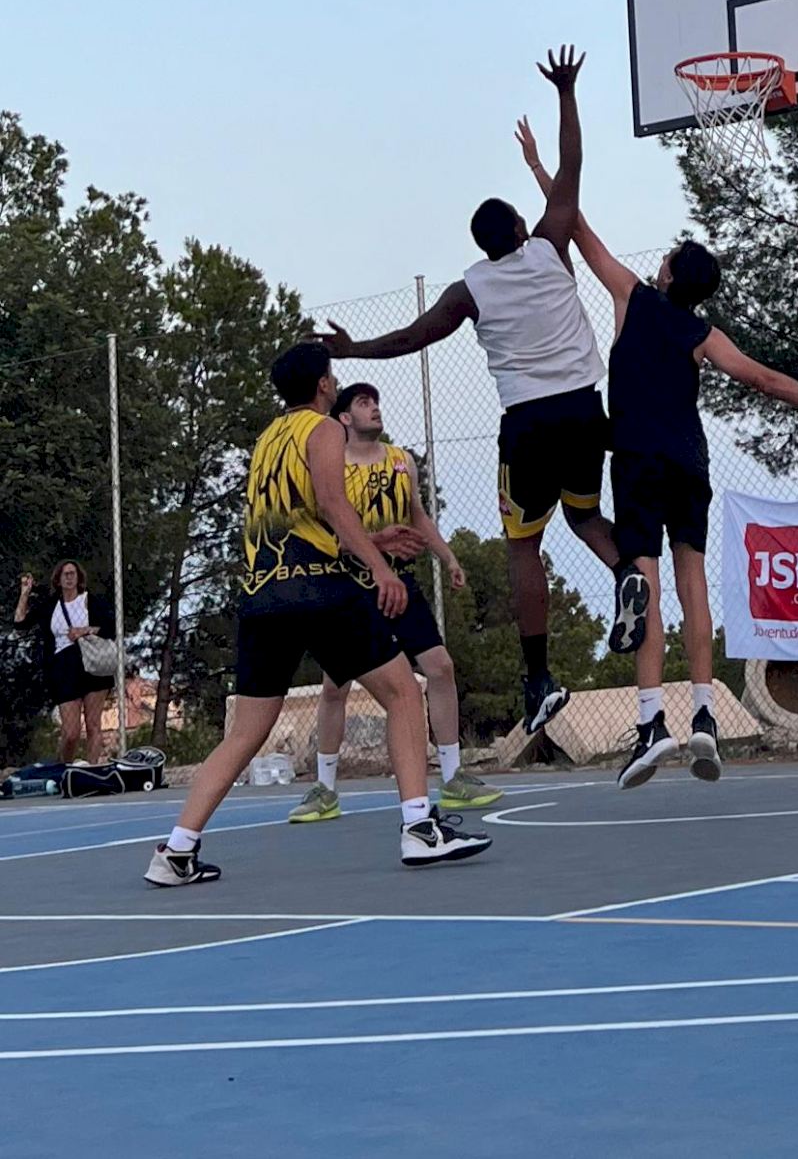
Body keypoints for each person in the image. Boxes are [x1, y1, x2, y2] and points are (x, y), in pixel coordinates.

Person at [518, 119, 798, 788]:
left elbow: (575, 226)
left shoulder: (632, 298)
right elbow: (765, 380)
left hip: (637, 459)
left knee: (646, 584)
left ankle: (651, 724)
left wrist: (544, 172)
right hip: (690, 462)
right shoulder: (701, 334)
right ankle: (704, 717)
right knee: (693, 586)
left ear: (667, 272)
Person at [317, 46, 650, 739]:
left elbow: (413, 337)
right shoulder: (551, 245)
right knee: (586, 516)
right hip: (585, 409)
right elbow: (572, 168)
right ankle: (625, 569)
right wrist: (566, 93)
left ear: (481, 244)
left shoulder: (471, 287)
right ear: (522, 230)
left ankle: (539, 677)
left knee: (524, 547)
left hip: (526, 423)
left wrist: (351, 351)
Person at [144, 342, 491, 887]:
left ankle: (176, 850)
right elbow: (332, 501)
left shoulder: (267, 440)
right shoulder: (324, 429)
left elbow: (301, 520)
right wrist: (380, 567)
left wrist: (372, 540)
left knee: (245, 733)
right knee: (404, 693)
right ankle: (420, 829)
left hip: (262, 595)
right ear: (325, 385)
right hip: (319, 589)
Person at [288, 382, 503, 822]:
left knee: (440, 667)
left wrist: (447, 556)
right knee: (335, 686)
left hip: (399, 582)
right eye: (363, 403)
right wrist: (374, 542)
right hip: (349, 584)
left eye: (376, 402)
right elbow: (328, 535)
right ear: (344, 417)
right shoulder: (331, 465)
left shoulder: (401, 461)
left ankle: (453, 776)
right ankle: (325, 788)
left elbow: (417, 515)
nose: (374, 409)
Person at [14, 561, 115, 765]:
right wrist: (25, 593)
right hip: (64, 668)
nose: (69, 577)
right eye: (65, 574)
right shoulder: (51, 605)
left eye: (72, 573)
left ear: (79, 577)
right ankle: (64, 769)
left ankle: (91, 770)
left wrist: (84, 630)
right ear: (58, 580)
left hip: (92, 664)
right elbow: (20, 623)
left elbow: (110, 628)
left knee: (94, 724)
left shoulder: (90, 601)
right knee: (70, 732)